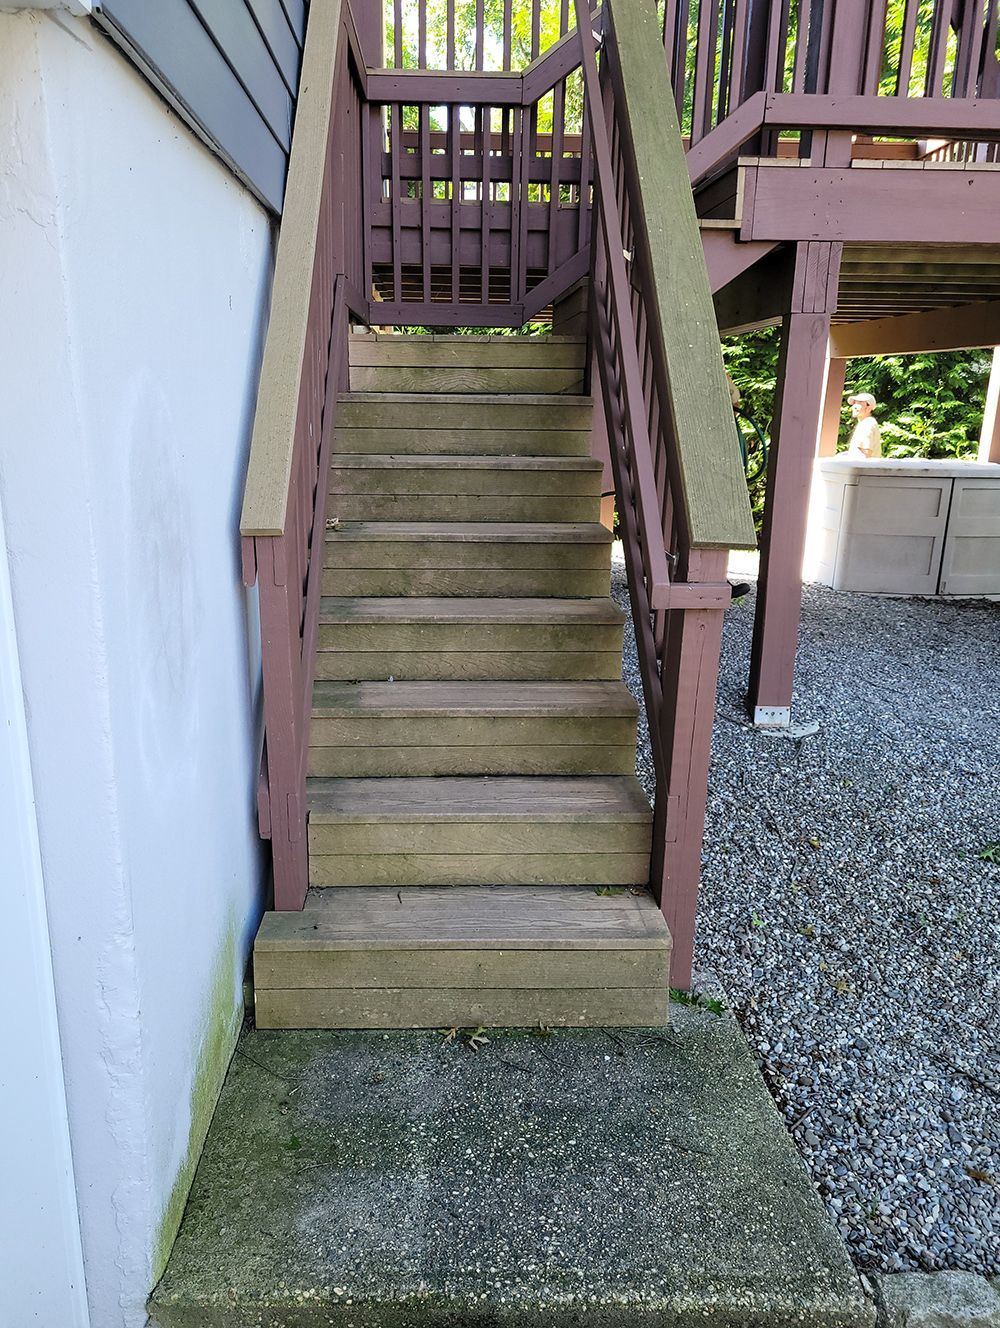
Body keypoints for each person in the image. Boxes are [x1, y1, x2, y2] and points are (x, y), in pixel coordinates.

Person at [845, 392, 882, 459]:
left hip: (862, 469)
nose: (854, 407)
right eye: (854, 403)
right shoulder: (865, 423)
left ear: (869, 408)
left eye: (859, 403)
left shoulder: (867, 424)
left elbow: (866, 454)